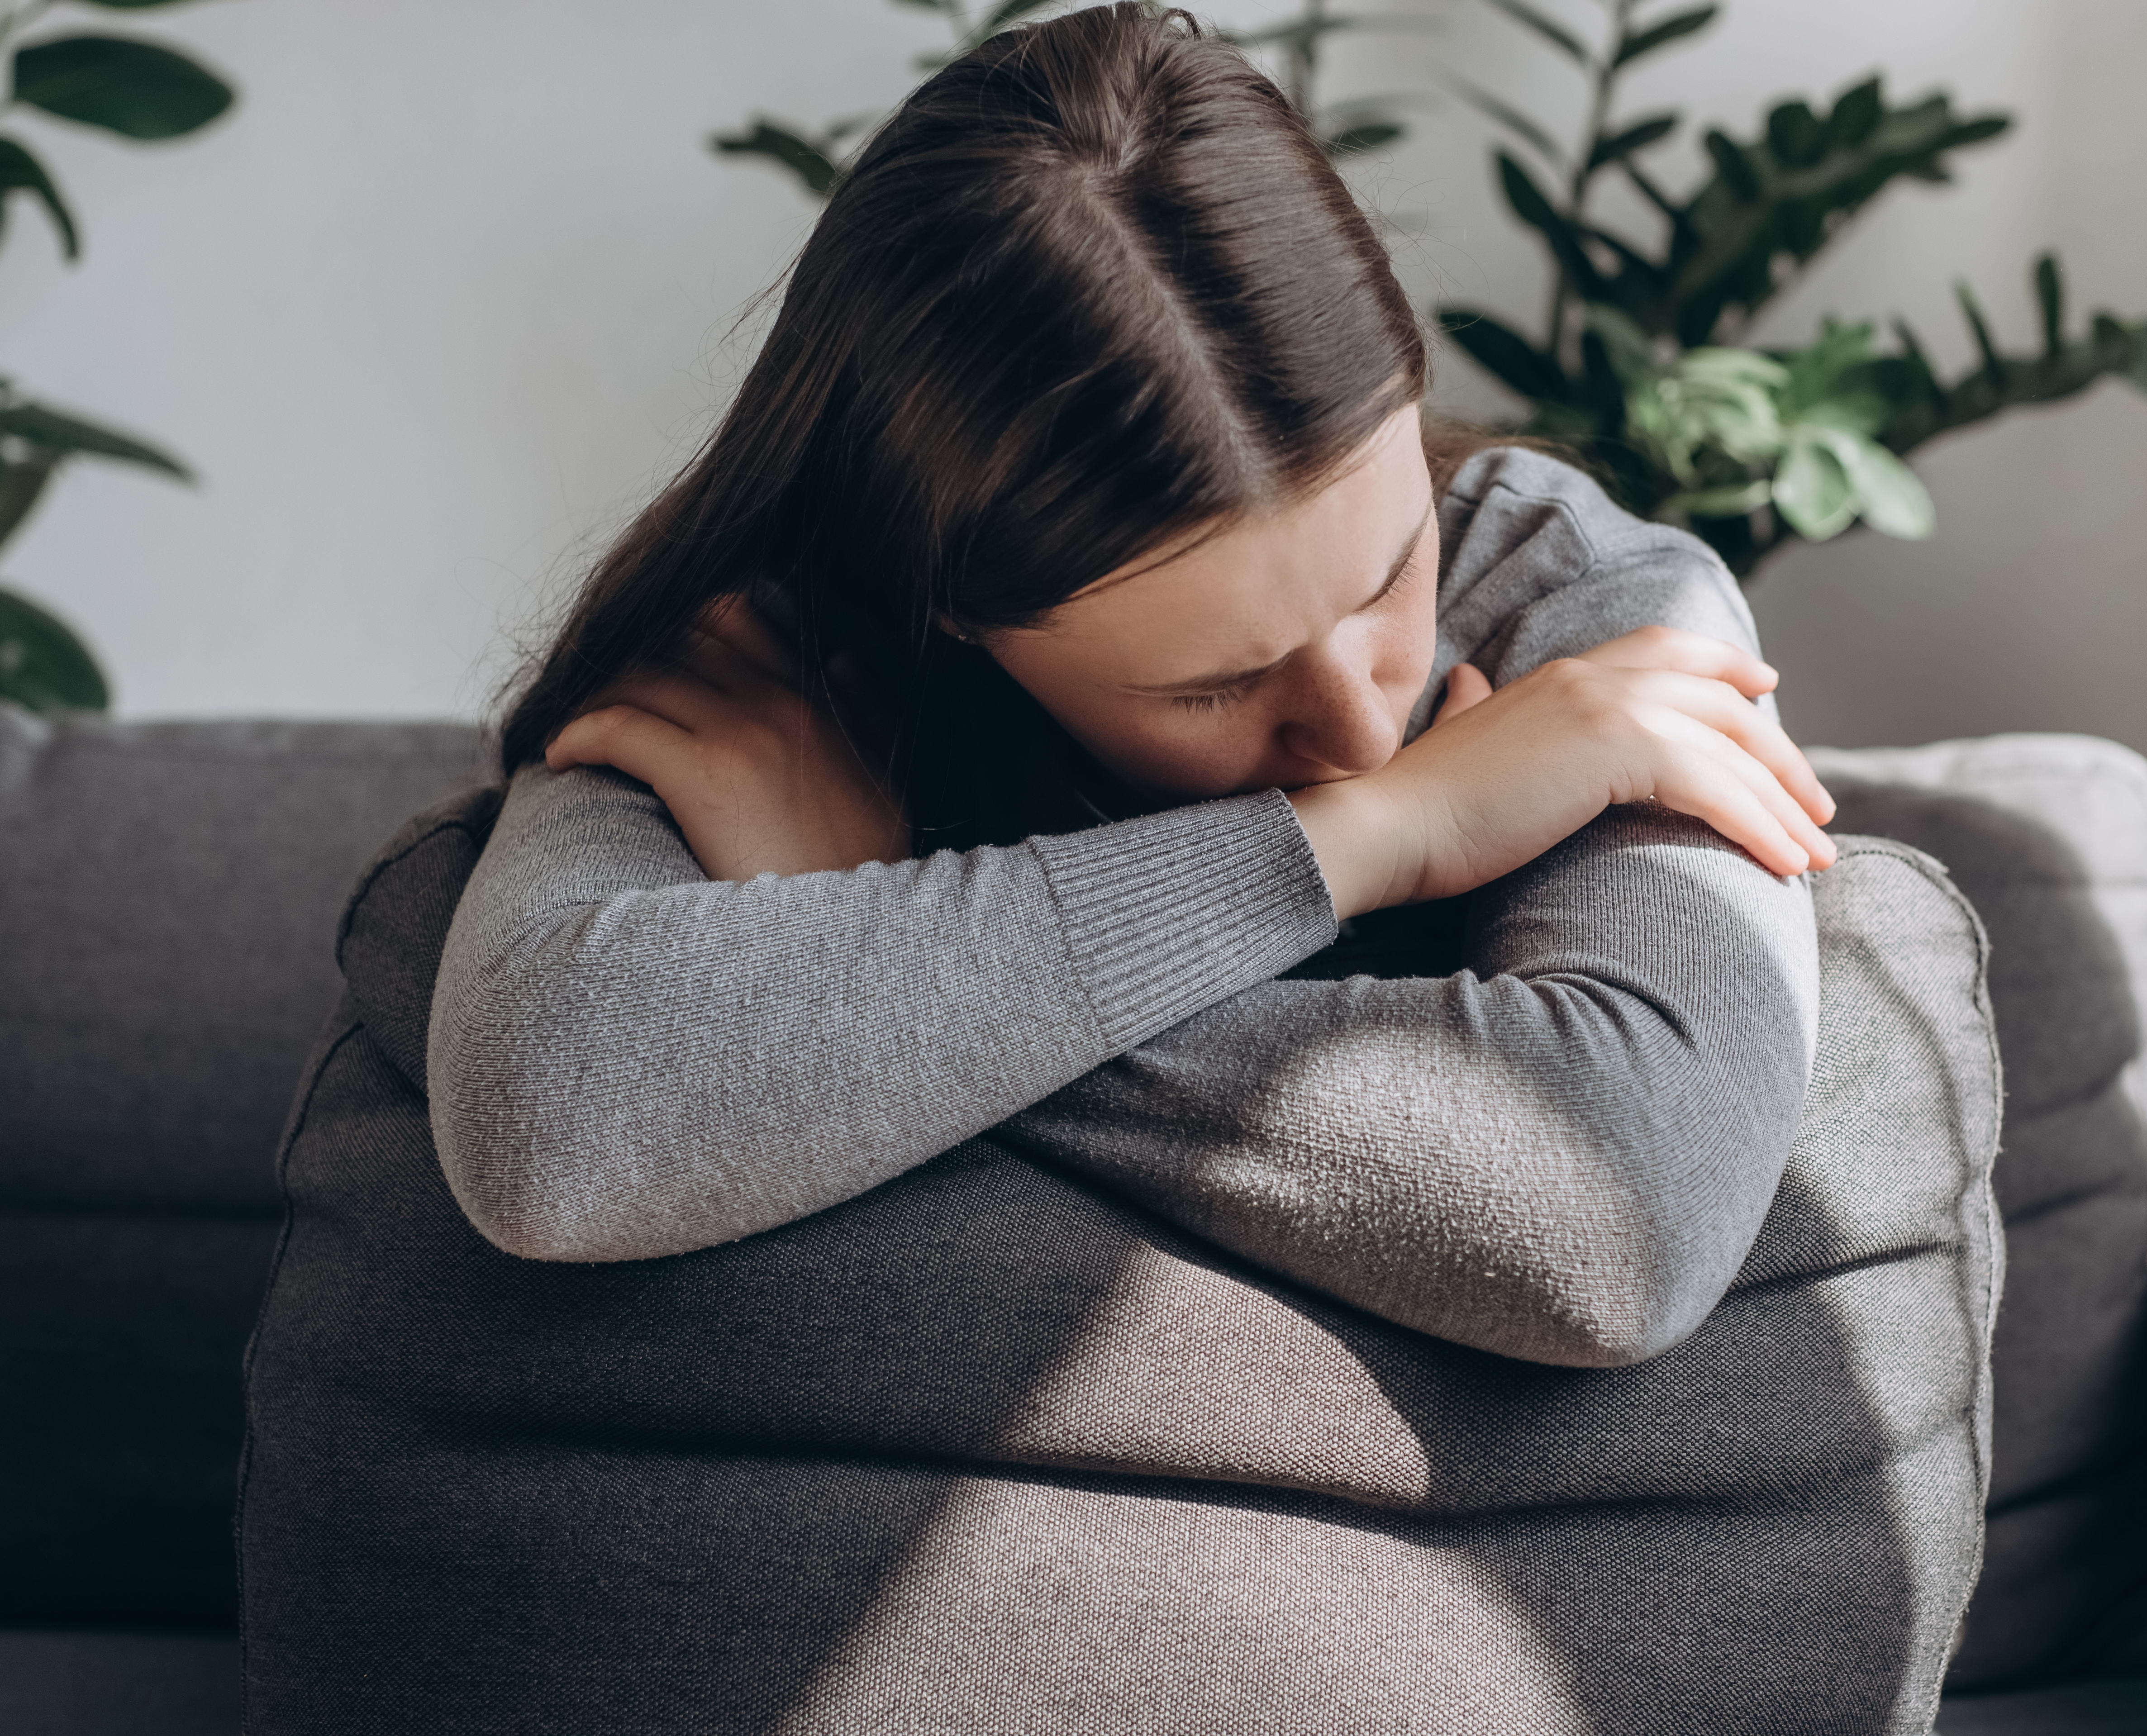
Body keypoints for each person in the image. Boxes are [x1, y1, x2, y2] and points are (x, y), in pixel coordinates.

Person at [428, 0, 1837, 1369]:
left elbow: (1618, 1220)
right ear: (958, 614)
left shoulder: (1582, 611)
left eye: (1389, 572)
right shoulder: (761, 689)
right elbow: (547, 1125)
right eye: (1212, 686)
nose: (1357, 727)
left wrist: (865, 952)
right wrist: (1365, 846)